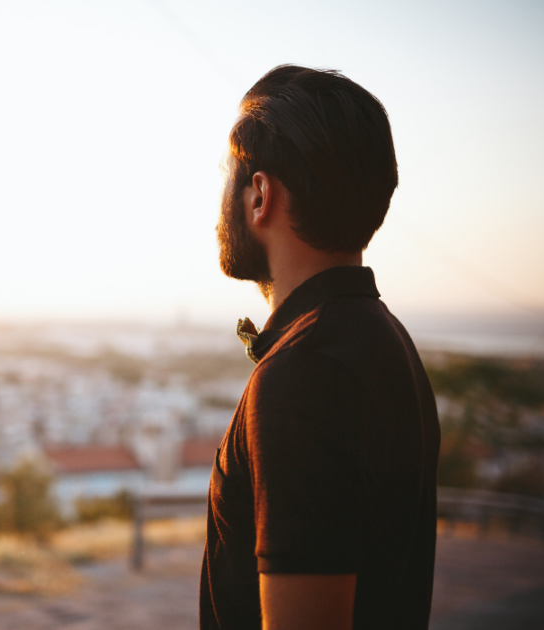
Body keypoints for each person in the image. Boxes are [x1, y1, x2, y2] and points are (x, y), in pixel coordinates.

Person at [200, 65, 440, 630]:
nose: (218, 203)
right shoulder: (383, 338)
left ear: (260, 194)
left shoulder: (303, 376)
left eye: (225, 176)